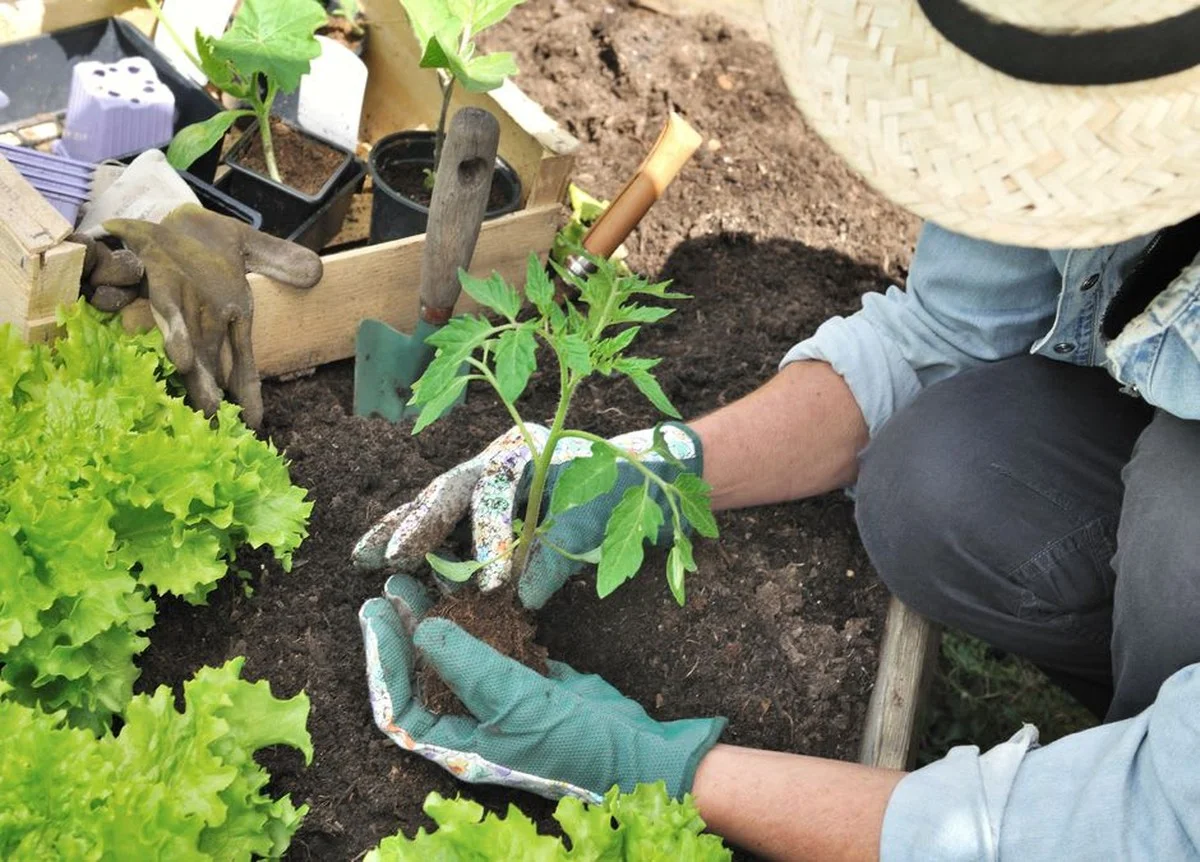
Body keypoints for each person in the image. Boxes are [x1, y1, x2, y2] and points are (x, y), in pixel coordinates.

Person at [356, 0, 1200, 858]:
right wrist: (655, 465)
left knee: (1185, 528)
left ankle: (1150, 717)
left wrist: (657, 769)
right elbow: (944, 339)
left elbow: (1154, 823)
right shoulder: (1042, 59)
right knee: (937, 474)